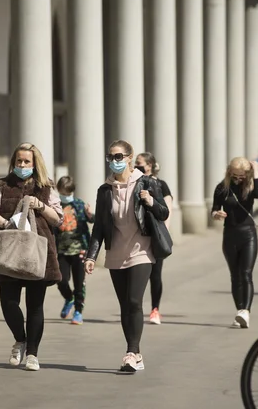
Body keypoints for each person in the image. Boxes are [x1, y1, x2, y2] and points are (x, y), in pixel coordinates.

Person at [84, 140, 169, 372]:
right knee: (124, 306)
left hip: (142, 251)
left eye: (119, 157)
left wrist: (150, 201)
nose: (115, 161)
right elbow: (99, 227)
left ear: (130, 158)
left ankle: (130, 352)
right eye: (111, 157)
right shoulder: (104, 190)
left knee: (134, 301)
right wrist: (91, 256)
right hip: (115, 253)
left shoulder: (147, 182)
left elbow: (164, 212)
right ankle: (137, 353)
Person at [0, 143, 64, 372]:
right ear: (14, 162)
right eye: (19, 161)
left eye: (27, 161)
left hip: (39, 253)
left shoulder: (47, 187)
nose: (23, 165)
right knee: (8, 303)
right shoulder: (3, 186)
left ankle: (33, 354)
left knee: (35, 306)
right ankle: (20, 339)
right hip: (10, 252)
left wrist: (40, 205)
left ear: (35, 164)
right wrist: (6, 223)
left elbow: (58, 218)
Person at [211, 157, 258, 328]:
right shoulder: (222, 188)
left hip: (248, 234)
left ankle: (245, 312)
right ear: (229, 172)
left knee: (246, 273)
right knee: (235, 276)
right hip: (230, 235)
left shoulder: (250, 186)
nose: (237, 179)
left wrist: (255, 171)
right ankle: (240, 311)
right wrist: (216, 214)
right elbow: (214, 209)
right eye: (234, 176)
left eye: (241, 176)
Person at [135, 152, 173, 325]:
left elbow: (168, 209)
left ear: (149, 165)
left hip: (156, 234)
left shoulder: (160, 184)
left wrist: (164, 232)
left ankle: (155, 309)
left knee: (155, 275)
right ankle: (136, 309)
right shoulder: (134, 182)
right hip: (138, 235)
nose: (136, 165)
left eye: (139, 163)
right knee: (138, 275)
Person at [54, 175, 94, 325]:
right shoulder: (56, 205)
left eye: (68, 193)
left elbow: (91, 219)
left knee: (79, 283)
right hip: (62, 250)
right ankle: (68, 298)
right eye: (63, 193)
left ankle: (78, 311)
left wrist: (90, 214)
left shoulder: (78, 204)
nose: (65, 197)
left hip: (79, 250)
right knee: (61, 280)